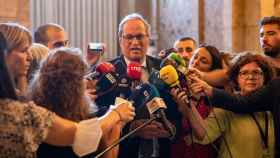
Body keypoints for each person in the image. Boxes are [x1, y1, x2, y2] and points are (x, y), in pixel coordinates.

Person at [0, 23, 135, 158]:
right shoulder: (24, 113)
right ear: (3, 54)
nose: (29, 56)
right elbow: (80, 134)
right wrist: (116, 114)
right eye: (24, 50)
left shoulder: (23, 100)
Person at [95, 13, 176, 158]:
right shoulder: (106, 72)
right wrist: (131, 128)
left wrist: (170, 128)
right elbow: (96, 114)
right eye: (129, 37)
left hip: (161, 149)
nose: (135, 42)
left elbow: (176, 110)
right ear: (120, 40)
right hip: (123, 151)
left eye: (140, 36)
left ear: (148, 38)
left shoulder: (162, 68)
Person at [172, 52, 275, 158]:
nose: (250, 77)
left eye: (256, 72)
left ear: (265, 77)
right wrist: (189, 107)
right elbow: (203, 135)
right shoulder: (227, 106)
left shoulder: (272, 106)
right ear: (236, 79)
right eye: (243, 73)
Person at [170, 44, 224, 158]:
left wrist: (191, 101)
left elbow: (202, 134)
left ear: (212, 70)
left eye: (203, 61)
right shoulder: (177, 86)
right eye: (195, 57)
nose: (195, 62)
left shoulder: (215, 96)